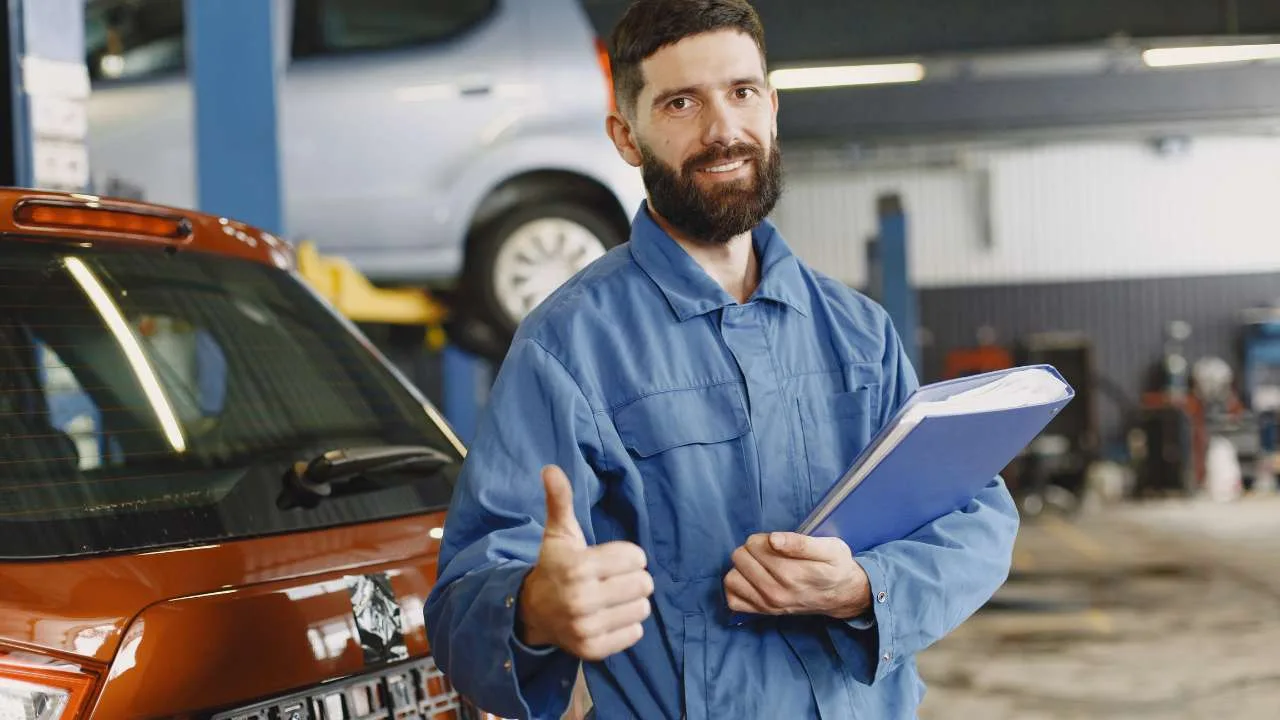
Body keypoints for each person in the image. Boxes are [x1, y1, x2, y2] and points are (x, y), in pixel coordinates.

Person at [424, 1, 1020, 718]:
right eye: (681, 103)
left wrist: (866, 586)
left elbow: (977, 516)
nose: (723, 130)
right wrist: (532, 609)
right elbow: (460, 607)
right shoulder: (569, 347)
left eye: (742, 92)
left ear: (772, 108)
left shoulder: (859, 331)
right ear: (626, 137)